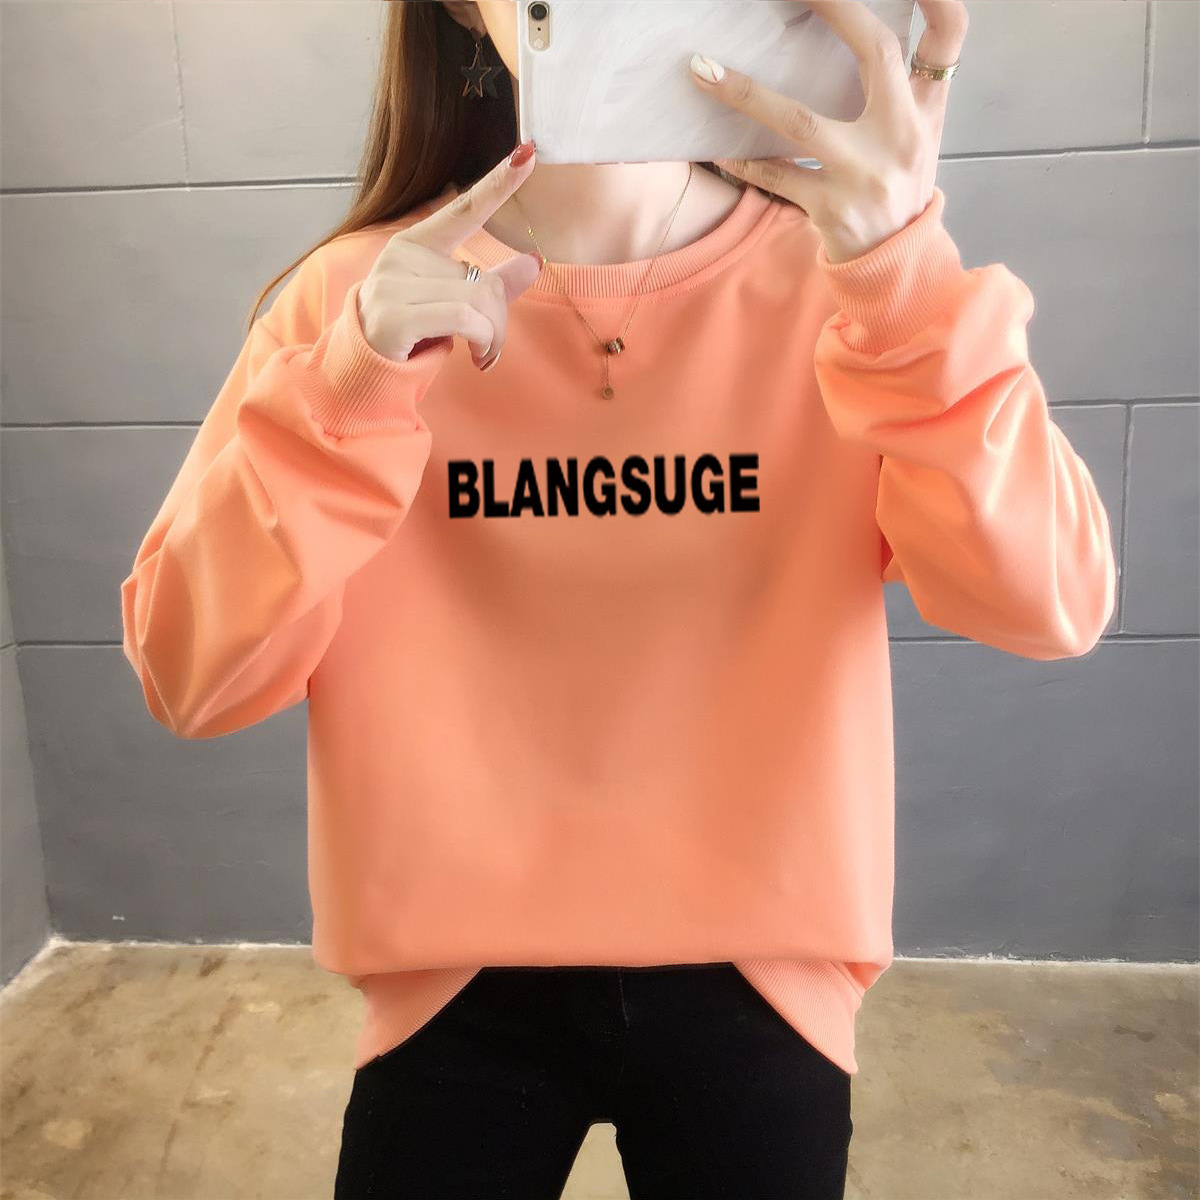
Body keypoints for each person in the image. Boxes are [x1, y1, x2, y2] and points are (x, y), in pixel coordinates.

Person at [118, 1, 1117, 1196]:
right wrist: (348, 395)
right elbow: (188, 674)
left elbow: (1050, 603)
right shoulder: (358, 302)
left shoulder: (845, 281)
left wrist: (904, 284)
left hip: (763, 973)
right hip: (450, 981)